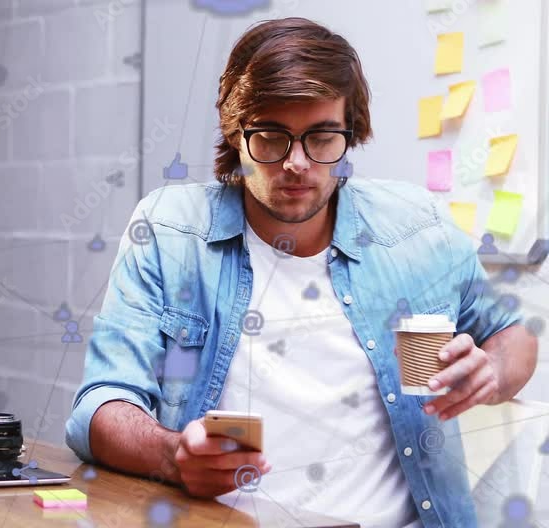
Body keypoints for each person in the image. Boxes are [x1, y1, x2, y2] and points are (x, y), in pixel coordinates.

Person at [64, 17, 537, 528]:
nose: (296, 163)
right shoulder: (170, 232)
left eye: (322, 137)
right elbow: (99, 408)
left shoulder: (418, 227)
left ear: (350, 132)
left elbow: (512, 336)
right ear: (235, 131)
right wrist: (172, 455)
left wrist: (491, 374)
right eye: (270, 137)